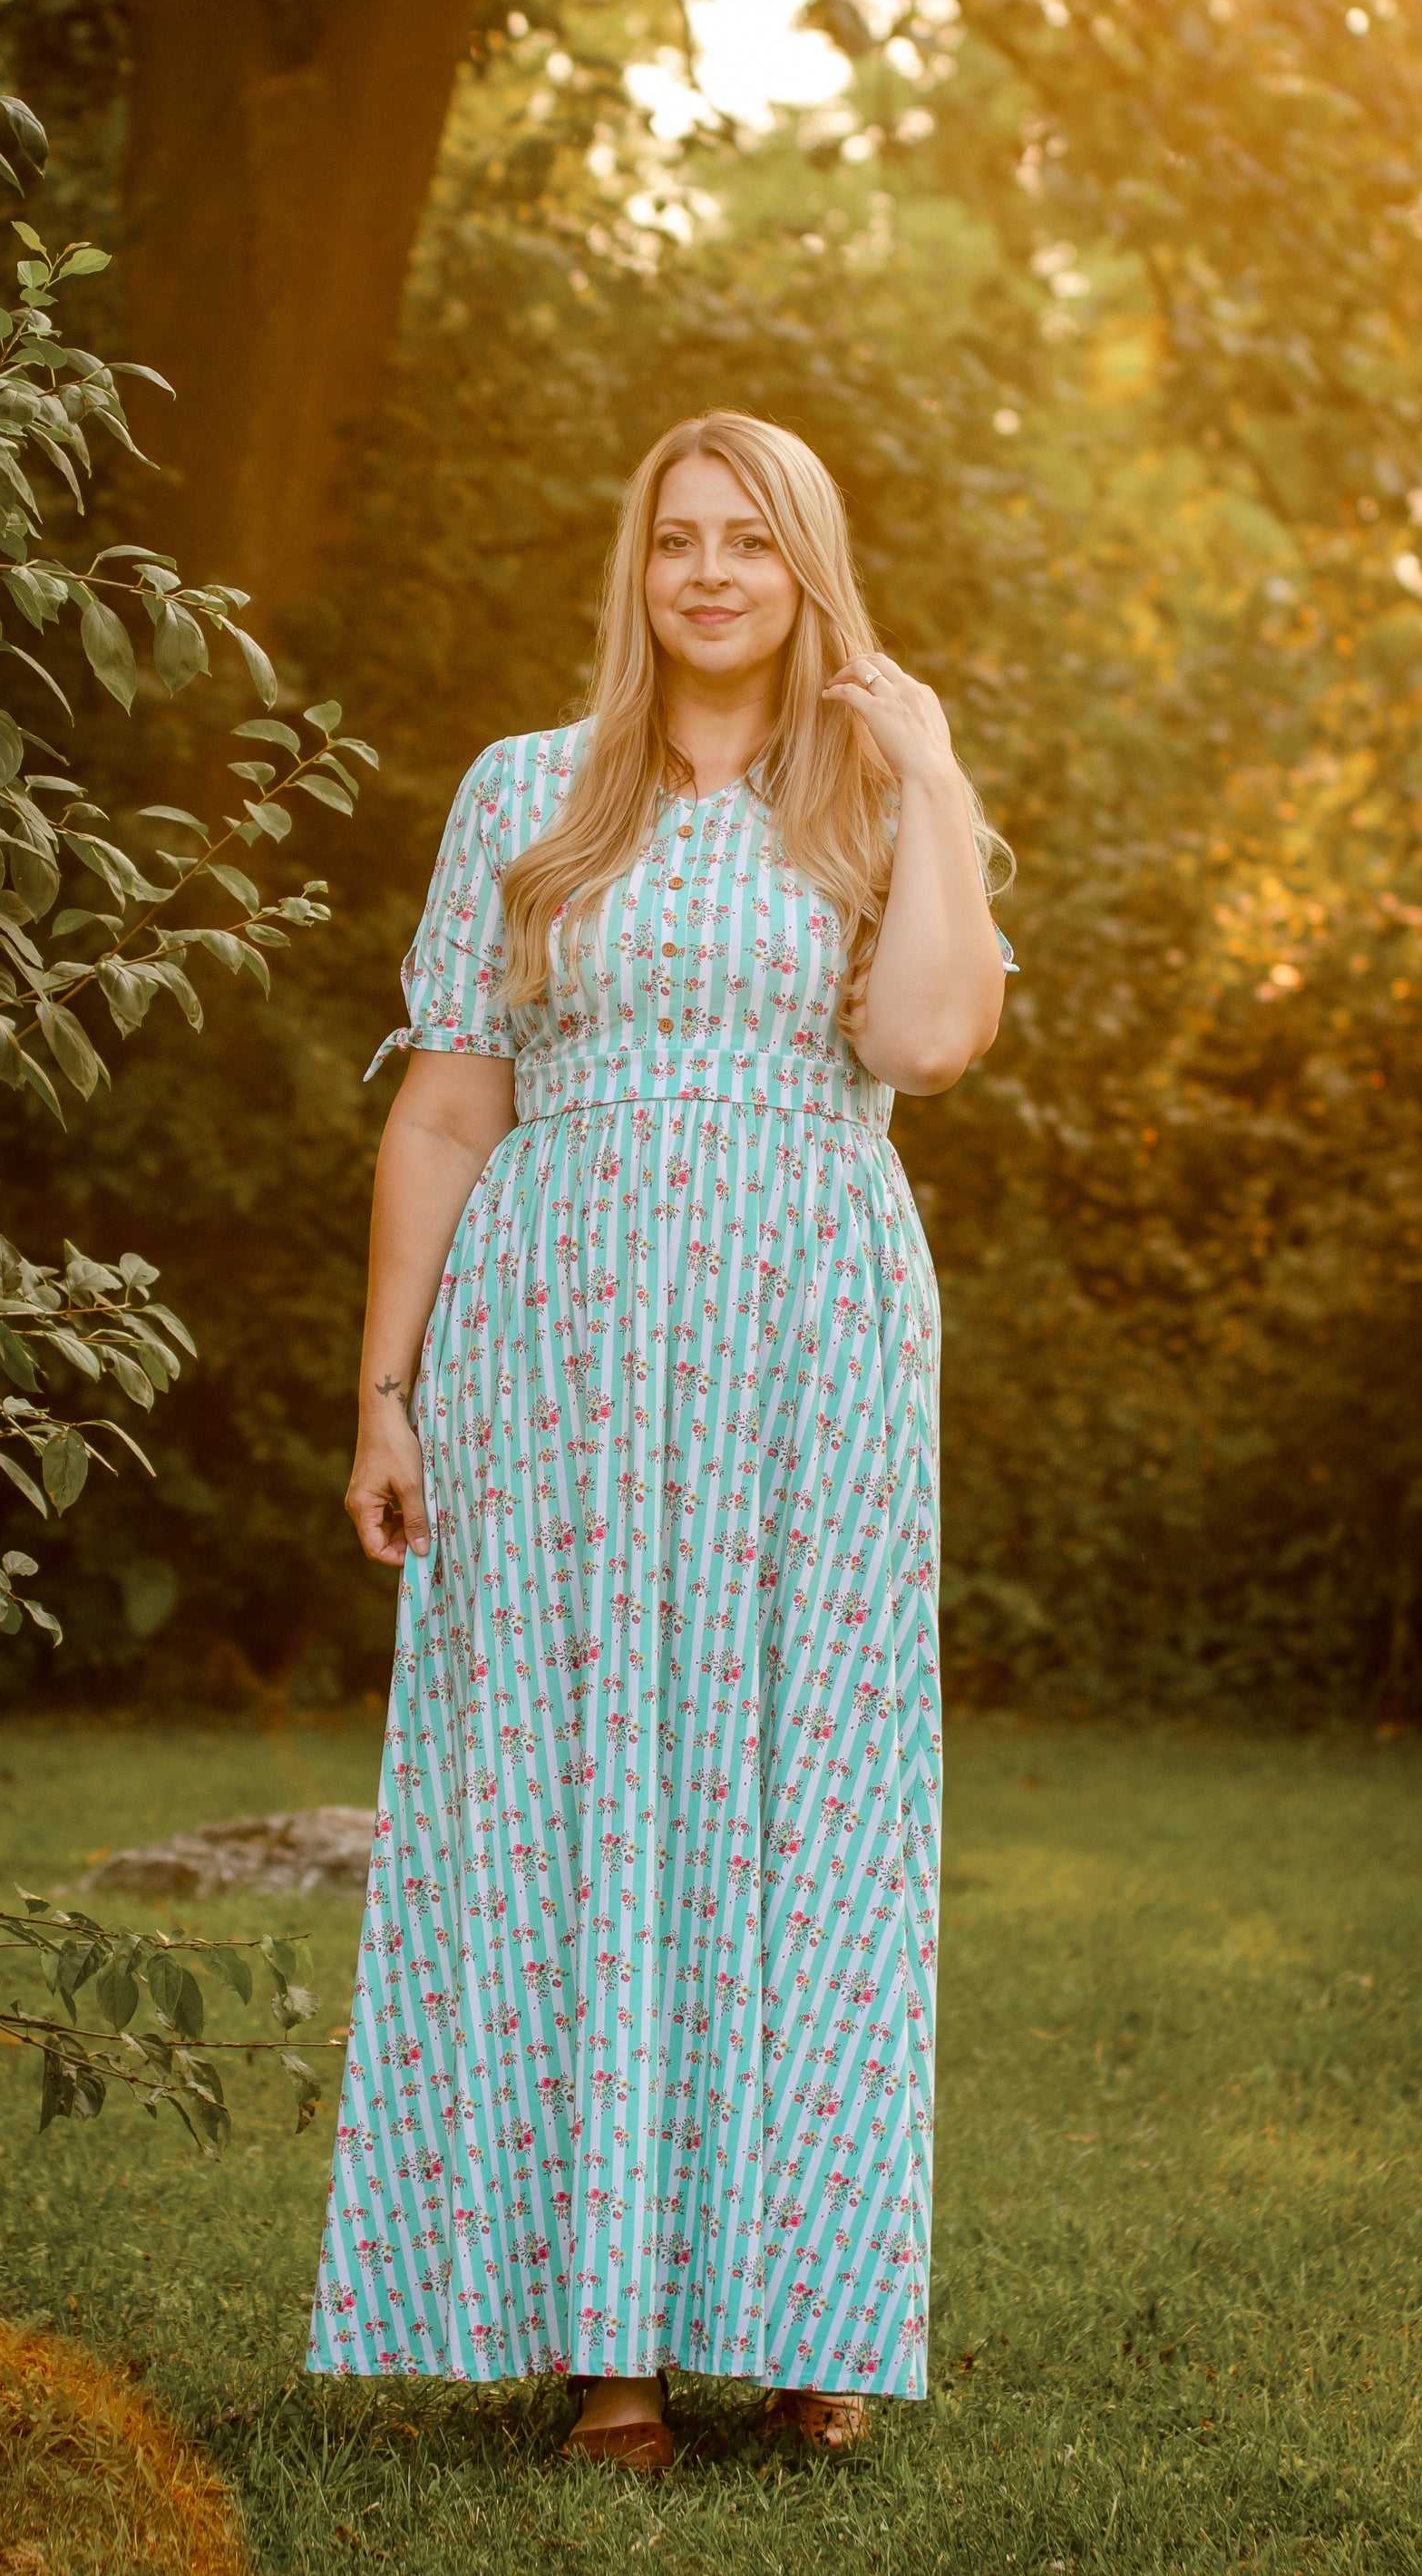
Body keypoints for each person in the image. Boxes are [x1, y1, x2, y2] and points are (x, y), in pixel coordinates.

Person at [307, 409, 1015, 2467]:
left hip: (811, 1342)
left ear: (807, 570)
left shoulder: (876, 793)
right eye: (675, 540)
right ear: (637, 567)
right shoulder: (528, 793)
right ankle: (602, 2337)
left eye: (750, 542)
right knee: (576, 1792)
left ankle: (812, 2318)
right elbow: (446, 1108)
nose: (707, 573)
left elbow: (923, 1043)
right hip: (561, 1358)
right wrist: (387, 1385)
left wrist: (940, 771)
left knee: (815, 1789)